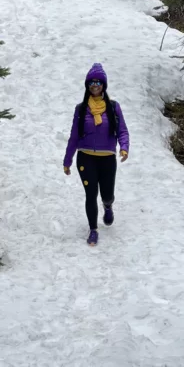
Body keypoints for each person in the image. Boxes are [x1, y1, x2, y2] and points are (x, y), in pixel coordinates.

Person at [63, 63, 130, 246]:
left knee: (107, 194)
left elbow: (122, 131)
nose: (95, 85)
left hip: (107, 158)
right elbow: (74, 136)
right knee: (90, 194)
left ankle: (108, 206)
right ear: (87, 85)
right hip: (86, 157)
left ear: (103, 85)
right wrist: (67, 160)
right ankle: (93, 230)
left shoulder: (113, 107)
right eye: (91, 82)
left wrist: (124, 147)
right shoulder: (81, 109)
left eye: (98, 82)